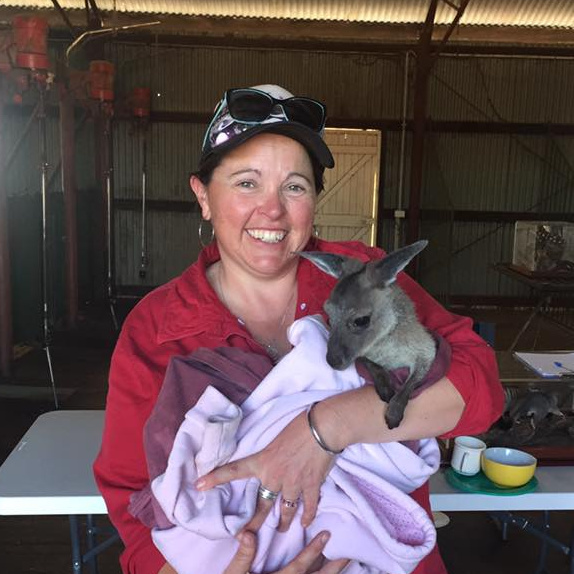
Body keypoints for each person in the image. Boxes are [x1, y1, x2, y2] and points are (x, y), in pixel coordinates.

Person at [93, 84, 505, 574]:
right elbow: (132, 502)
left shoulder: (364, 277)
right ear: (203, 196)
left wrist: (326, 428)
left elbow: (479, 388)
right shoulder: (160, 325)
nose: (272, 210)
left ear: (314, 202)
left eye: (294, 186)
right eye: (247, 183)